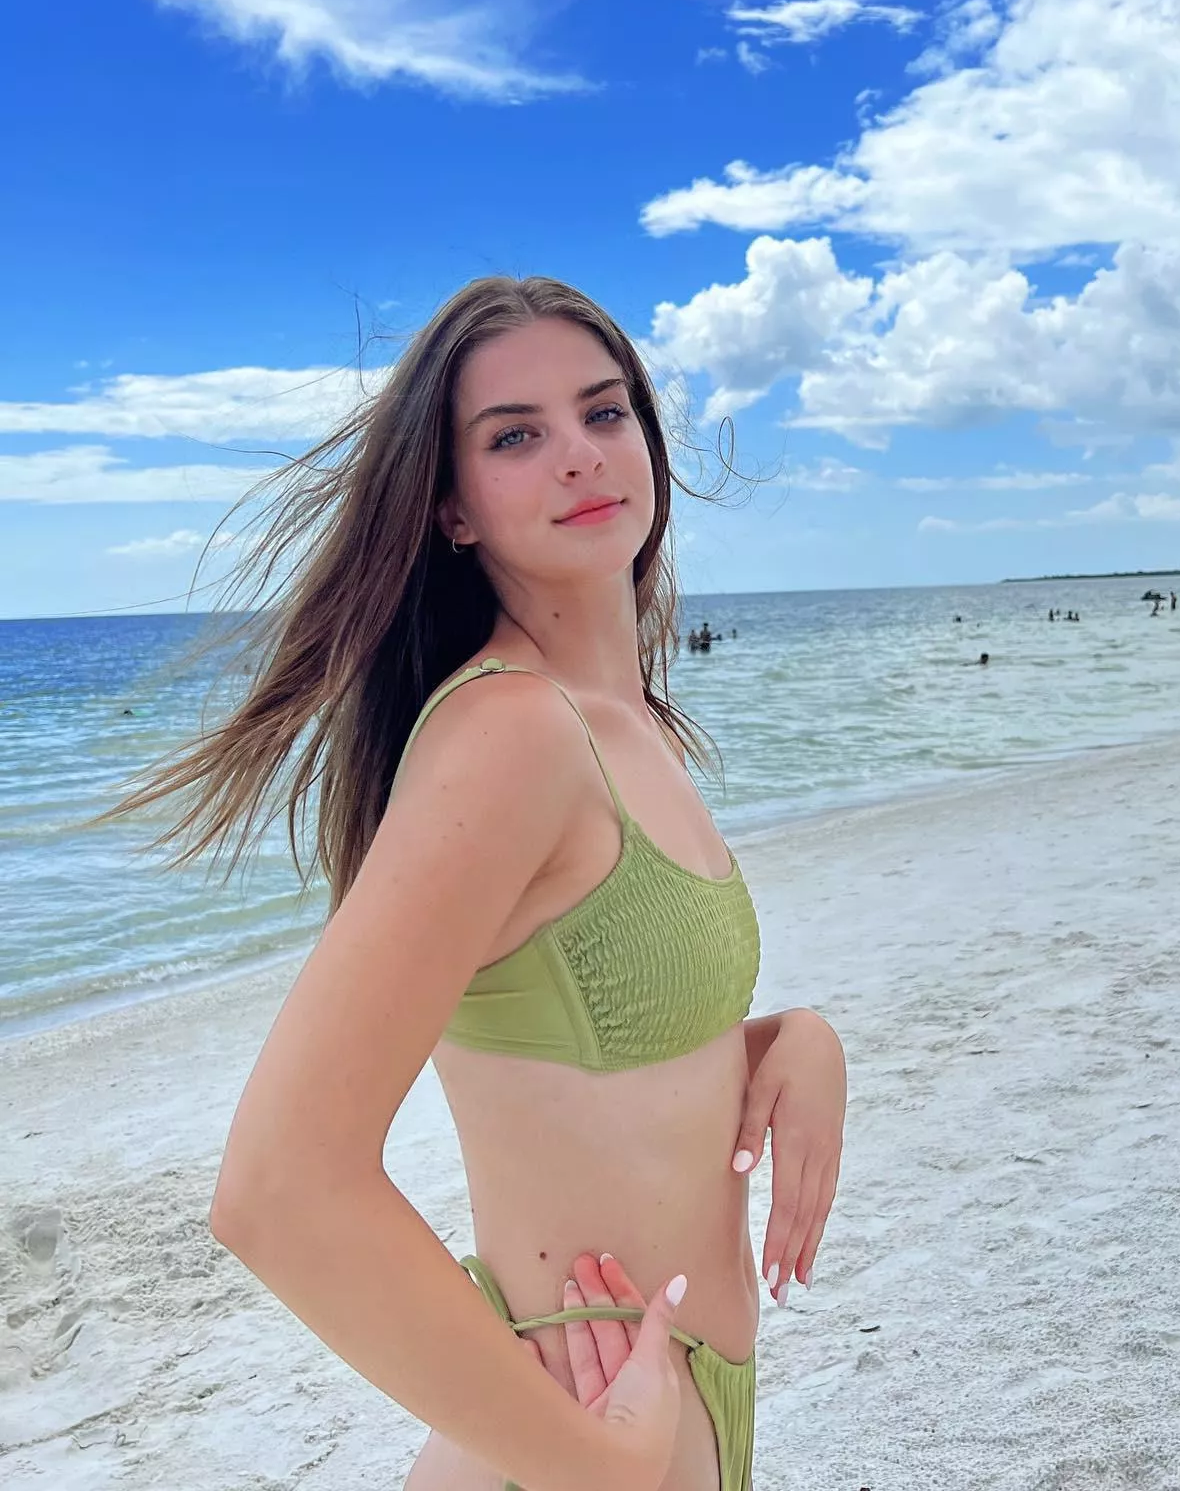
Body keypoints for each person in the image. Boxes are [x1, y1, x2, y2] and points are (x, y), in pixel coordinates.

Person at [110, 276, 846, 1491]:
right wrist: (589, 1466)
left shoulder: (623, 722)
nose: (577, 455)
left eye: (604, 413)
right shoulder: (510, 739)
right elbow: (278, 1188)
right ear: (451, 507)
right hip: (576, 1441)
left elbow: (611, 1061)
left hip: (672, 1412)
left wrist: (795, 1041)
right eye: (516, 435)